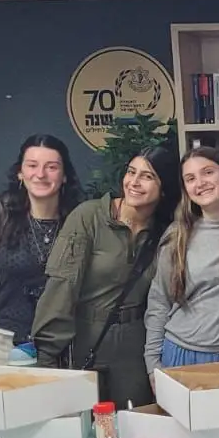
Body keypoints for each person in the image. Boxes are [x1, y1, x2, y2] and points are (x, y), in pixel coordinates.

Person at [33, 145, 181, 406]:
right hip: (87, 336)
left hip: (137, 343)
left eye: (147, 176)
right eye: (131, 172)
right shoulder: (90, 216)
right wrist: (47, 356)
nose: (133, 182)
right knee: (86, 428)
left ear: (164, 186)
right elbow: (62, 286)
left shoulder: (166, 231)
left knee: (136, 427)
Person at [145, 146, 219, 371]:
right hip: (178, 353)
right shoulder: (177, 235)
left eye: (208, 172)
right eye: (190, 178)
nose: (200, 182)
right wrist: (152, 362)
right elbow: (159, 300)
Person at [0, 134, 83, 345]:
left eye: (51, 167)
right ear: (20, 173)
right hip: (6, 341)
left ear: (65, 175)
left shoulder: (79, 221)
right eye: (32, 165)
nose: (40, 174)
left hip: (63, 342)